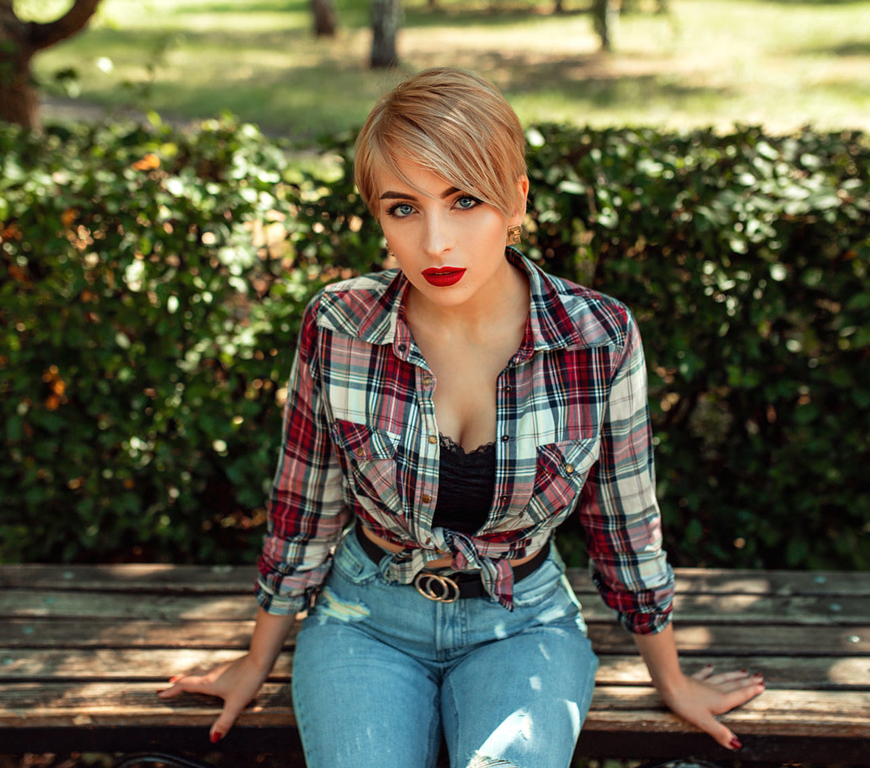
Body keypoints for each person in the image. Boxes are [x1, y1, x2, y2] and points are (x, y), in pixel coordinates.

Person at [157, 67, 764, 767]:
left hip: (523, 626)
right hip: (364, 621)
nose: (436, 243)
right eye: (403, 208)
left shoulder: (598, 337)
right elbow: (305, 506)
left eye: (465, 199)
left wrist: (672, 679)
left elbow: (624, 523)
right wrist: (255, 661)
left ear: (516, 199)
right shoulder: (340, 325)